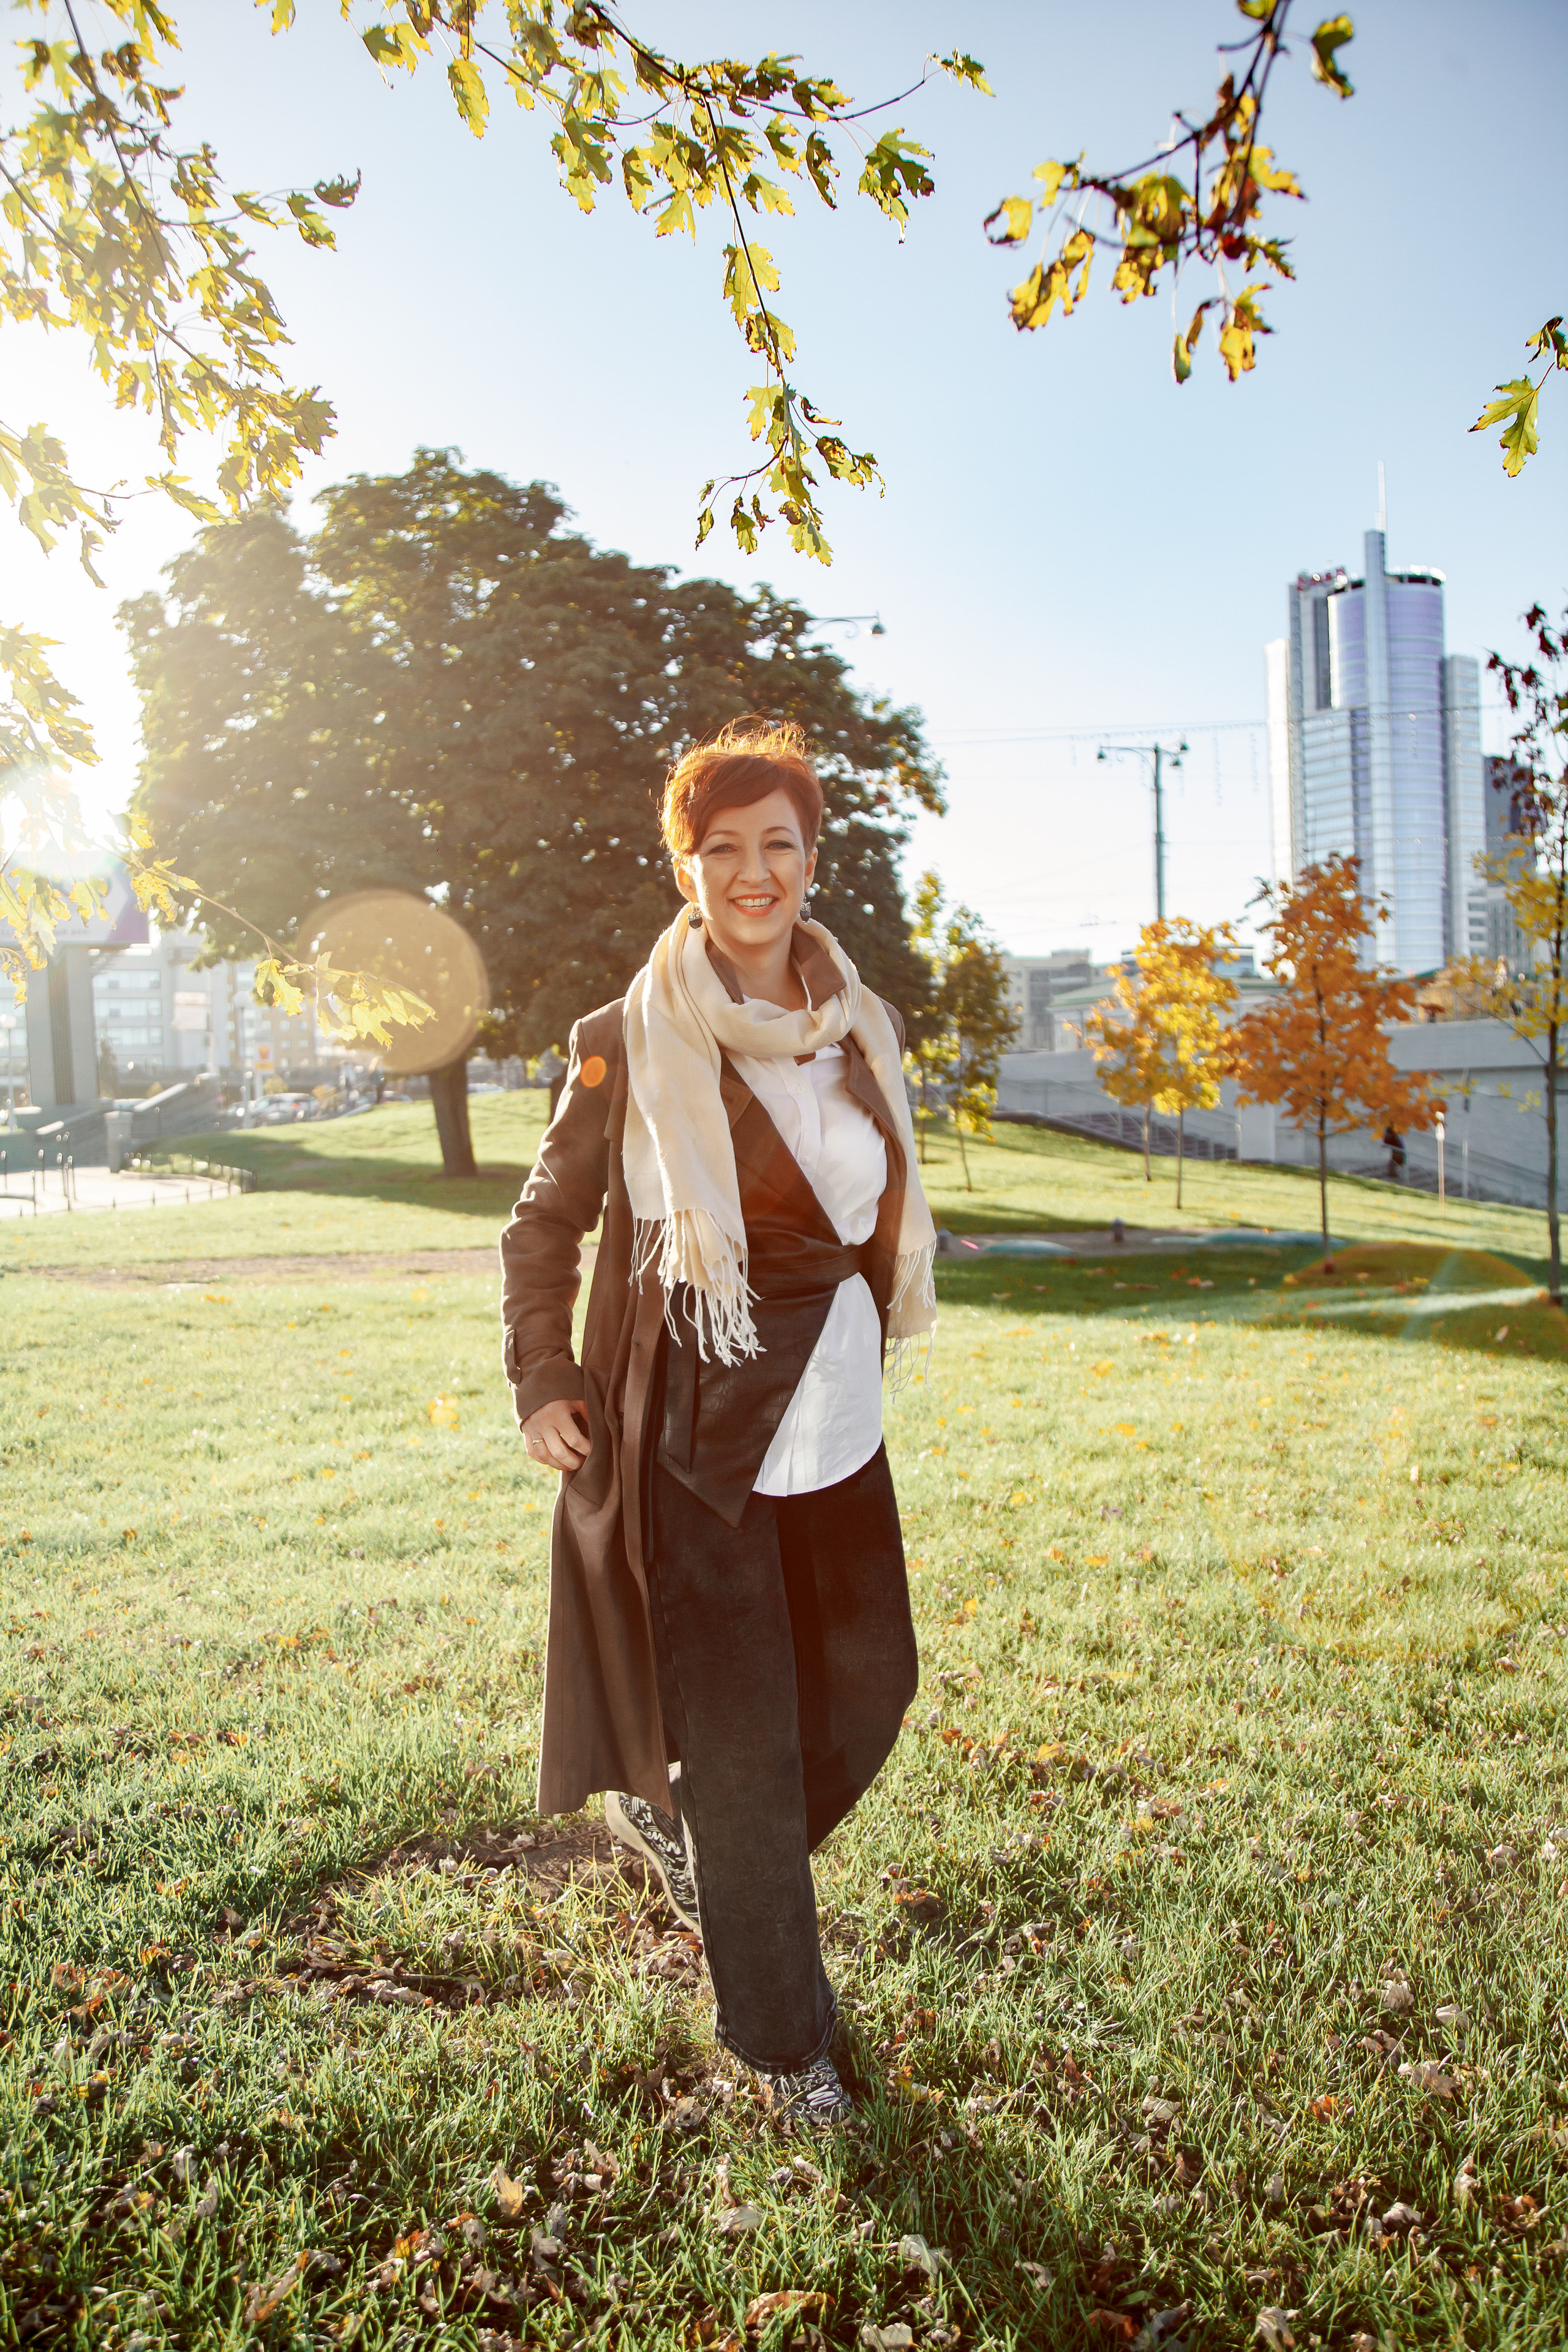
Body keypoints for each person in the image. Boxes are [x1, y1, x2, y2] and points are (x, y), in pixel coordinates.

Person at [499, 718, 937, 2128]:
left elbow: (874, 1216)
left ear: (813, 860)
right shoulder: (623, 1042)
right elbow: (545, 1222)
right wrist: (539, 1374)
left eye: (780, 845)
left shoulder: (858, 1023)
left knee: (873, 1689)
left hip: (841, 1418)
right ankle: (782, 2039)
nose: (755, 873)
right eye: (723, 849)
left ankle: (703, 1848)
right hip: (700, 1439)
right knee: (744, 1744)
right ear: (684, 867)